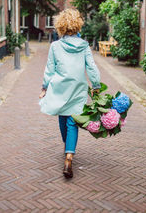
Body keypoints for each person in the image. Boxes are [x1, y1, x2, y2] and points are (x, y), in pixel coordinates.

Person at [39, 9, 100, 178]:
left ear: (60, 26)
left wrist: (44, 87)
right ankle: (69, 156)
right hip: (78, 89)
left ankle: (67, 145)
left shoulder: (55, 46)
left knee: (62, 117)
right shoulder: (84, 45)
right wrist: (95, 85)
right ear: (77, 25)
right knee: (73, 121)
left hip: (60, 87)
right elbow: (92, 68)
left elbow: (50, 69)